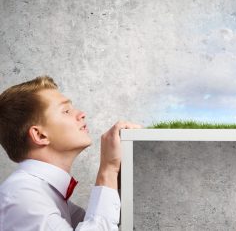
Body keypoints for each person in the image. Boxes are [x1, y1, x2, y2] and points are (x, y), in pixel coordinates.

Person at [0, 76, 141, 230]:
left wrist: (117, 179)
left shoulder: (47, 195)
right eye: (66, 111)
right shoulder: (24, 197)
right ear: (40, 135)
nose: (81, 114)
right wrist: (107, 170)